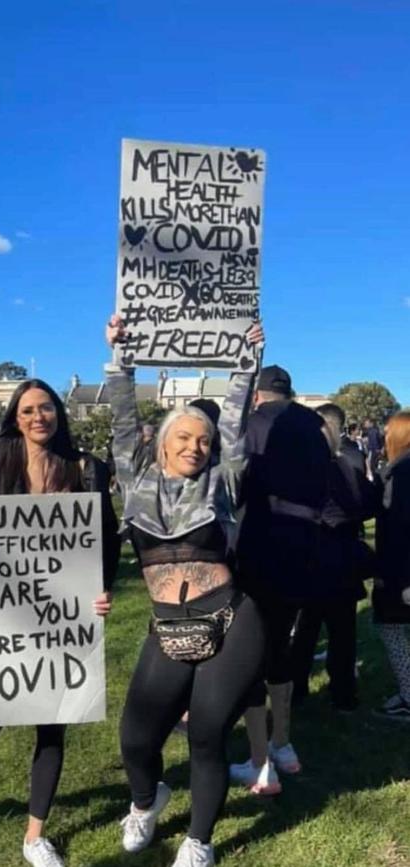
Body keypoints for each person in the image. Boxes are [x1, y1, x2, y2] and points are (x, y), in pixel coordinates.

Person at [0, 379, 120, 867]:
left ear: (59, 413)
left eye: (48, 408)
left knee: (54, 725)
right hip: (5, 608)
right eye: (29, 410)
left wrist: (103, 591)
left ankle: (35, 836)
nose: (40, 417)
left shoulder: (85, 468)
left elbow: (108, 539)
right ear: (16, 417)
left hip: (65, 614)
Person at [106, 314, 265, 867]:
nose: (195, 446)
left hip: (231, 621)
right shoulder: (134, 481)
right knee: (135, 738)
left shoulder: (223, 480)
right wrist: (122, 357)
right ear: (162, 445)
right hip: (167, 625)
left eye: (202, 439)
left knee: (207, 736)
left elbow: (236, 426)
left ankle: (199, 840)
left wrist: (246, 362)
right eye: (183, 437)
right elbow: (123, 424)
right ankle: (147, 802)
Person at [230, 365, 332, 794]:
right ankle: (283, 744)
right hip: (304, 547)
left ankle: (259, 760)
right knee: (282, 646)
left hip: (259, 548)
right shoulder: (317, 427)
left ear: (258, 397)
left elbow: (235, 483)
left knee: (253, 651)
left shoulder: (252, 425)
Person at [290, 403, 377, 711]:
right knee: (341, 632)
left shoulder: (305, 467)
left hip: (315, 556)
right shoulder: (346, 464)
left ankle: (298, 687)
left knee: (308, 629)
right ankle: (343, 693)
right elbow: (367, 504)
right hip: (339, 556)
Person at [372, 411, 410, 719]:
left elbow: (398, 528)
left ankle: (409, 695)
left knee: (391, 628)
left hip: (401, 569)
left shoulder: (398, 474)